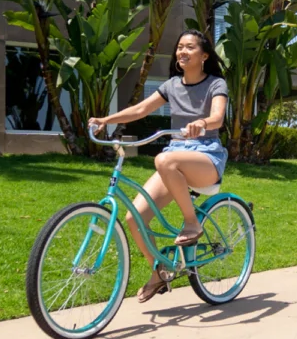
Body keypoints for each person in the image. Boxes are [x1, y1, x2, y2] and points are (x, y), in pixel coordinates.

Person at [89, 29, 228, 301]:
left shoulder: (215, 84)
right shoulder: (172, 85)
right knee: (134, 218)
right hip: (176, 155)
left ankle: (192, 223)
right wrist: (107, 120)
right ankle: (160, 271)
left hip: (206, 156)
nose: (182, 51)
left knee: (164, 158)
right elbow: (140, 110)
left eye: (189, 47)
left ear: (205, 56)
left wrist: (202, 123)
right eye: (179, 47)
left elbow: (218, 117)